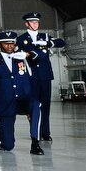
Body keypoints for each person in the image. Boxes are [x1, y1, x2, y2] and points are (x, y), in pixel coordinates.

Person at [0, 31, 44, 155]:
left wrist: (27, 54)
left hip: (24, 100)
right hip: (6, 103)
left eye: (12, 43)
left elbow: (41, 55)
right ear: (0, 45)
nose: (10, 46)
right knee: (8, 146)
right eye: (6, 44)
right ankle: (1, 130)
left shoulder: (22, 58)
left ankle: (35, 143)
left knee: (35, 105)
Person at [16, 12, 66, 141]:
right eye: (32, 22)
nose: (35, 24)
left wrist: (49, 43)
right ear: (26, 24)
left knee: (45, 105)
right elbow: (18, 56)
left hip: (45, 75)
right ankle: (35, 132)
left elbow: (61, 42)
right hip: (31, 76)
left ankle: (45, 132)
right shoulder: (22, 39)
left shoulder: (45, 37)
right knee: (34, 105)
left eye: (37, 22)